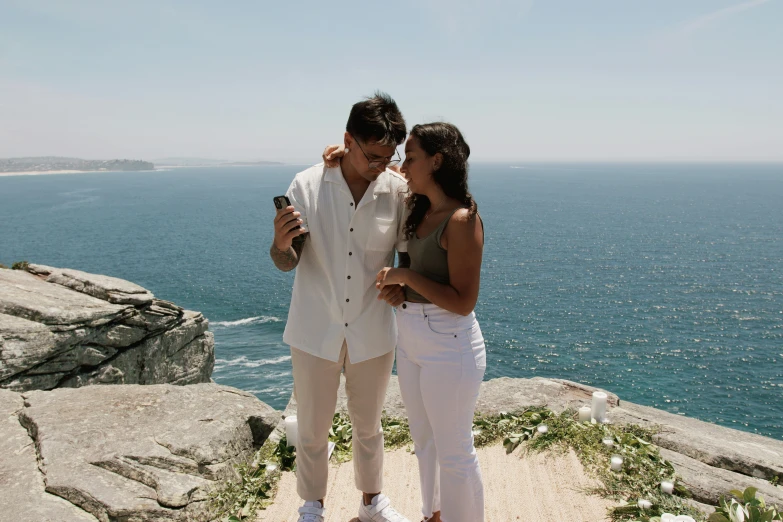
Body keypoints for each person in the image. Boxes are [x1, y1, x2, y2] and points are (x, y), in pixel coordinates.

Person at [324, 122, 486, 522]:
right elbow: (366, 165)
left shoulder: (461, 219)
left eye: (410, 157)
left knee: (454, 451)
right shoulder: (420, 206)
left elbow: (464, 302)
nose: (402, 164)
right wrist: (338, 156)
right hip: (412, 335)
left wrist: (406, 278)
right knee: (425, 441)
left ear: (437, 160)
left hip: (449, 342)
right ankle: (434, 514)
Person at [270, 92, 412, 522]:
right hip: (316, 327)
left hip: (372, 327)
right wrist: (279, 243)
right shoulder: (307, 185)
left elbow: (405, 262)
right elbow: (287, 260)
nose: (380, 166)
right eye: (373, 155)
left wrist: (399, 288)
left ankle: (372, 503)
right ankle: (312, 506)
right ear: (348, 140)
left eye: (389, 156)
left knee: (369, 426)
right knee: (312, 428)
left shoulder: (398, 190)